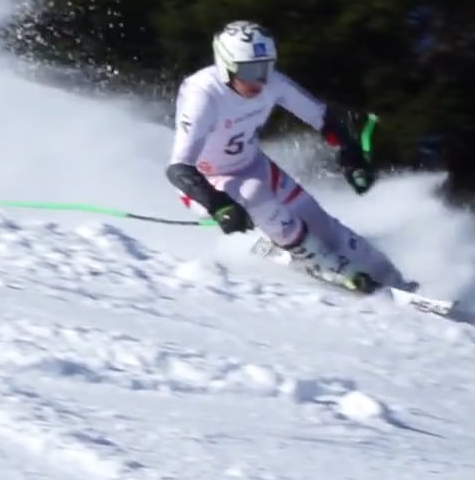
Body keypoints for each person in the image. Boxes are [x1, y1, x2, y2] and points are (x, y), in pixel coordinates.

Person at [164, 19, 407, 293]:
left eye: (265, 67)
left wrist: (351, 155)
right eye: (249, 70)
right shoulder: (204, 95)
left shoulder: (271, 83)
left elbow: (323, 118)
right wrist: (219, 204)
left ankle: (398, 282)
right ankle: (326, 264)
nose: (259, 79)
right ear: (226, 66)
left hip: (253, 165)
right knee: (256, 194)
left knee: (328, 229)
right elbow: (179, 169)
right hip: (208, 183)